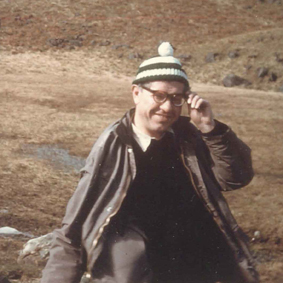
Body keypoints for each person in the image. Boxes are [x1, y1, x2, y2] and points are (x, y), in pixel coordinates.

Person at [41, 42, 259, 283]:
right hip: (138, 266)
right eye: (159, 95)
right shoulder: (113, 145)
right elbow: (73, 228)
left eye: (176, 98)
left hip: (195, 261)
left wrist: (210, 129)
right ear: (136, 93)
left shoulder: (189, 137)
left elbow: (234, 178)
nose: (167, 107)